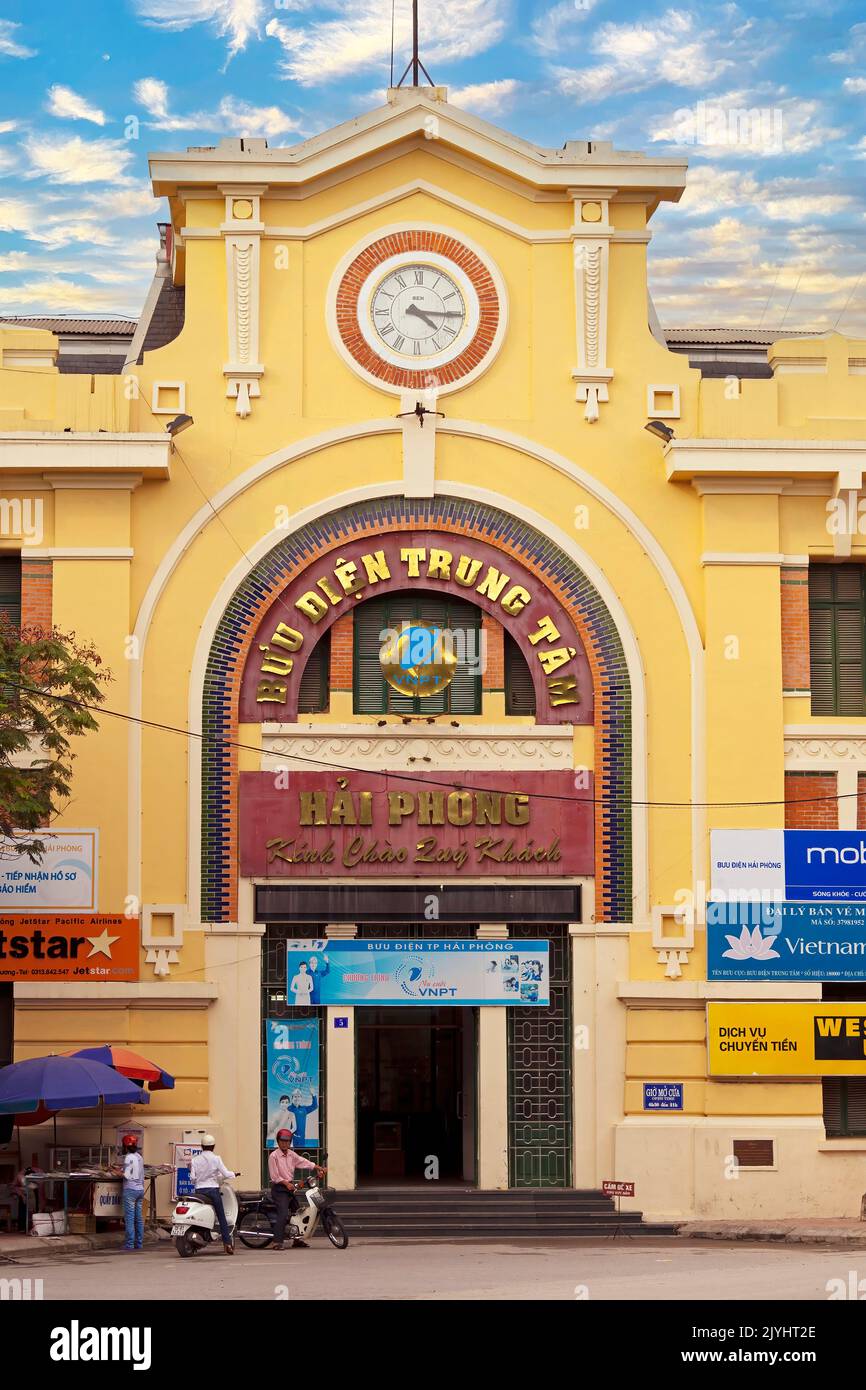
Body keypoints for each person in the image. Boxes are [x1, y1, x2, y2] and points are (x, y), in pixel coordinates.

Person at [267, 1128, 325, 1251]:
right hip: (279, 1189)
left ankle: (297, 1240)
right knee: (282, 1213)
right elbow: (275, 1176)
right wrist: (285, 1183)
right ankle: (277, 1241)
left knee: (298, 1213)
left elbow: (303, 1162)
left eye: (287, 1141)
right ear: (278, 1142)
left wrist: (318, 1167)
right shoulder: (274, 1156)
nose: (285, 1143)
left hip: (289, 1188)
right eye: (282, 1141)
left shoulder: (292, 1154)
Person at [189, 1134, 236, 1254]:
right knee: (221, 1217)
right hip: (212, 1190)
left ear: (202, 1146)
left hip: (199, 1191)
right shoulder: (216, 1159)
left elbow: (193, 1179)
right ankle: (227, 1244)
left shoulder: (195, 1160)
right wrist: (234, 1174)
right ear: (213, 1146)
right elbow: (225, 1173)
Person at [116, 1134, 145, 1252]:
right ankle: (139, 1243)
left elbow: (127, 1175)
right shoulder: (139, 1157)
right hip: (140, 1190)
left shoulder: (128, 1157)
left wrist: (115, 1171)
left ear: (125, 1146)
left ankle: (129, 1244)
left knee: (129, 1218)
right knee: (138, 1218)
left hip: (130, 1190)